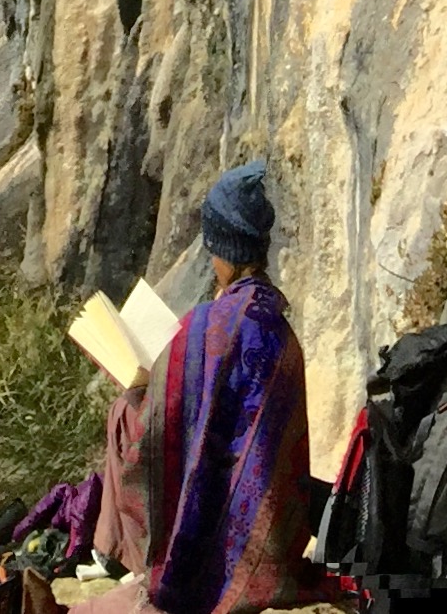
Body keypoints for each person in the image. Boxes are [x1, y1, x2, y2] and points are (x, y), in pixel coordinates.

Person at [89, 164, 316, 614]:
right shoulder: (279, 327)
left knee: (124, 413)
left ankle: (129, 557)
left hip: (218, 536)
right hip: (275, 530)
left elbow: (167, 420)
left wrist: (139, 394)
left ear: (224, 251)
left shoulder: (208, 326)